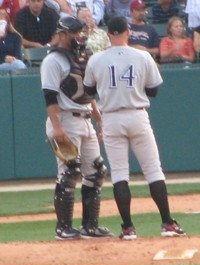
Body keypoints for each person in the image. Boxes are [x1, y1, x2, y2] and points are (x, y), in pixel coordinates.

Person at [83, 15, 186, 240]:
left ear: (109, 34)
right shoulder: (142, 56)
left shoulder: (96, 59)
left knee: (120, 174)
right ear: (128, 32)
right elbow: (154, 90)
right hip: (137, 114)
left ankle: (128, 228)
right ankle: (167, 223)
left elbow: (88, 91)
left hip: (110, 117)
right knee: (153, 170)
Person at [40, 16, 113, 240]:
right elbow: (50, 96)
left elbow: (87, 92)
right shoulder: (53, 60)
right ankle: (63, 228)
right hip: (64, 118)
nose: (79, 36)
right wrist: (57, 127)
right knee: (69, 172)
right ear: (62, 35)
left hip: (85, 118)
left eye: (81, 32)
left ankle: (90, 226)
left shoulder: (82, 58)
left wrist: (98, 115)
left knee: (96, 170)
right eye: (74, 33)